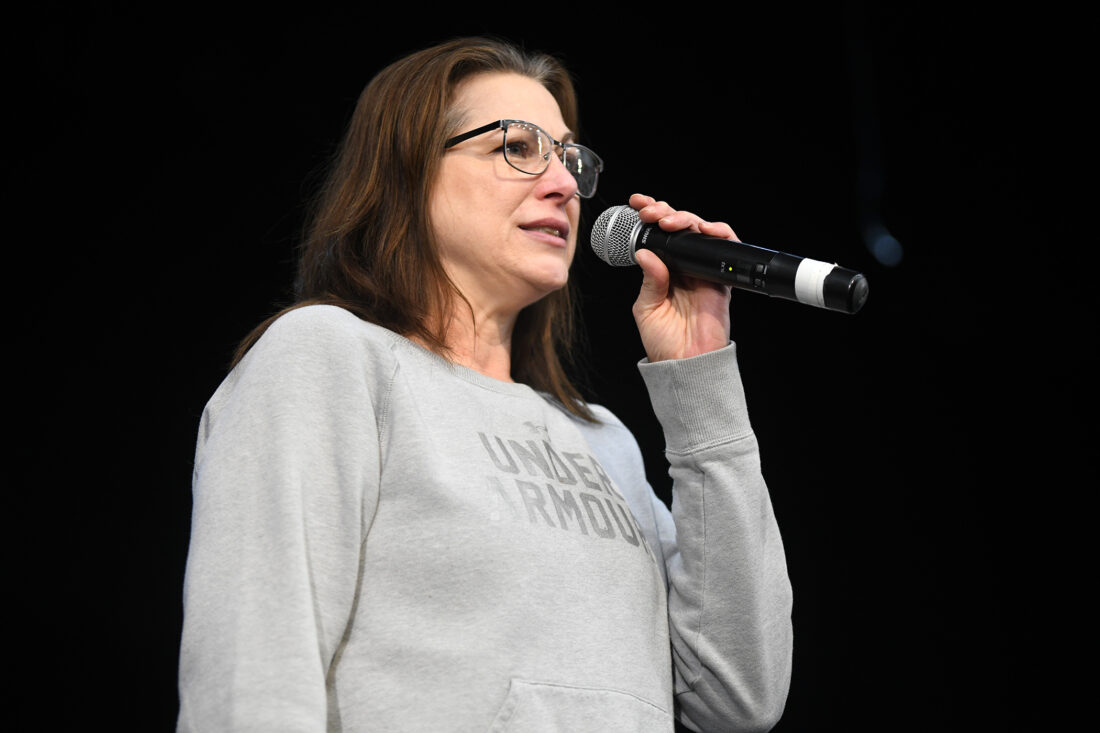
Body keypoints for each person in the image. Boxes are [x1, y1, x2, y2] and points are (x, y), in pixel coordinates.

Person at [177, 37, 793, 733]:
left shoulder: (605, 442)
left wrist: (701, 384)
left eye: (569, 159)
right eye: (518, 147)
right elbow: (252, 678)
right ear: (409, 172)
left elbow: (740, 694)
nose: (563, 185)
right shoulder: (328, 356)